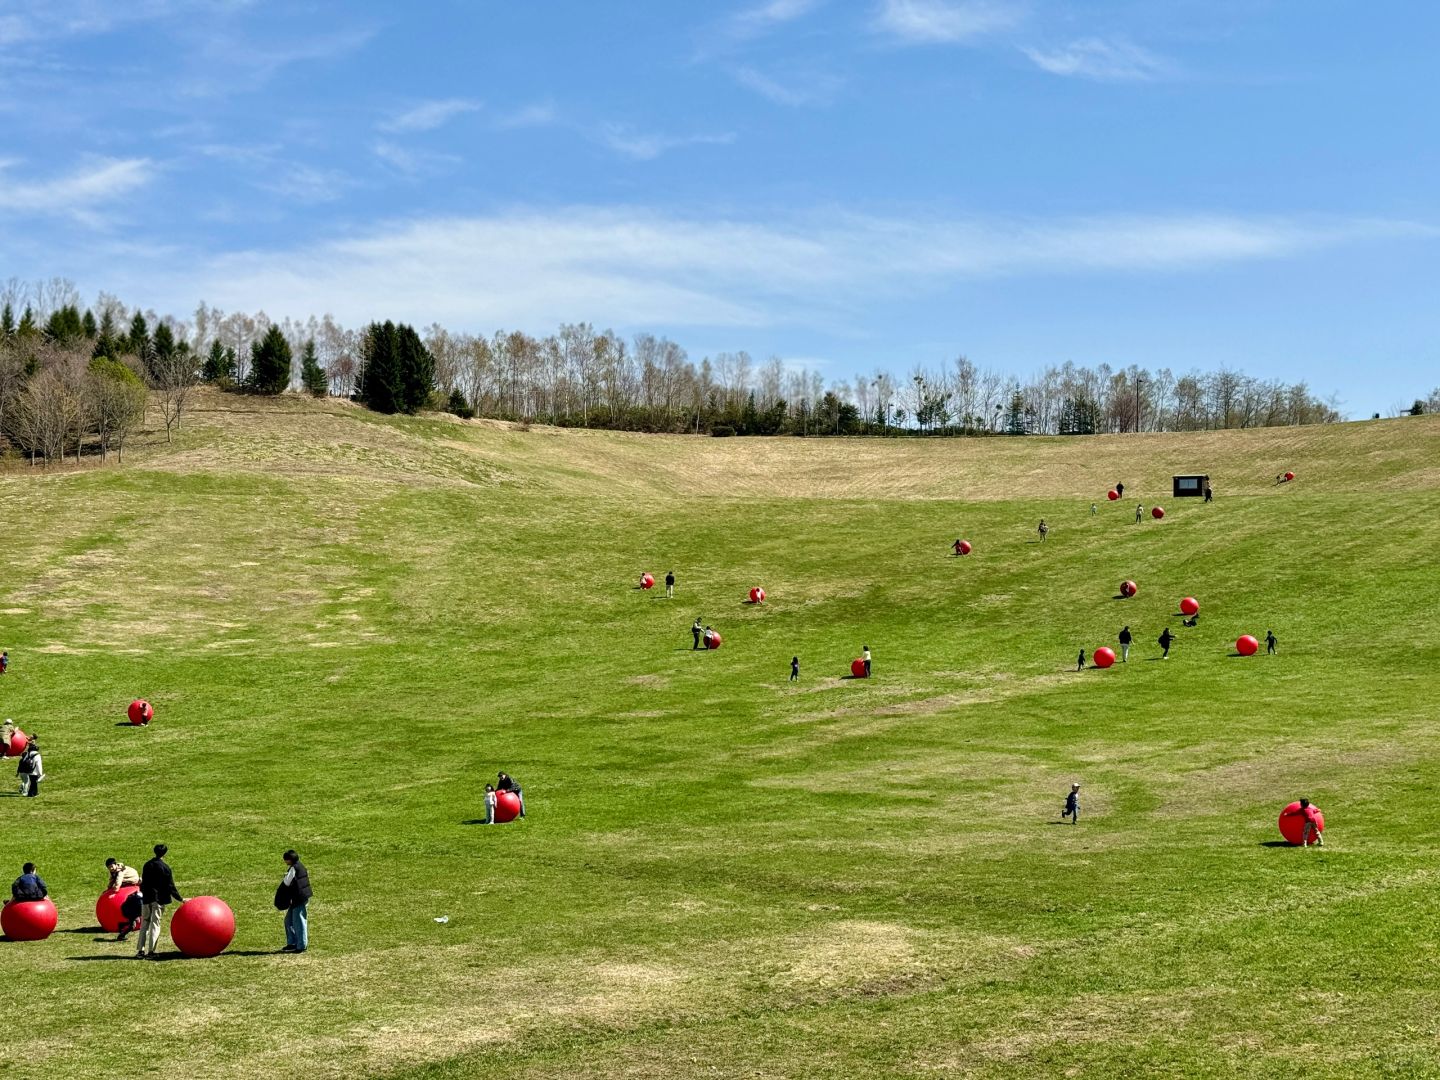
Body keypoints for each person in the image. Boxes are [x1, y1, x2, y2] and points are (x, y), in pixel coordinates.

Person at [137, 843, 183, 959]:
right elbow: (170, 886)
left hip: (146, 898)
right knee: (155, 924)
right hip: (158, 900)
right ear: (165, 853)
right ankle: (151, 951)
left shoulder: (147, 865)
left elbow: (143, 882)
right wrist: (180, 899)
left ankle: (140, 950)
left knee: (144, 924)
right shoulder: (165, 868)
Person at [278, 850, 312, 953]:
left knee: (299, 922)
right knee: (289, 921)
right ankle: (292, 943)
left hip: (299, 899)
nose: (285, 861)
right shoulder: (300, 866)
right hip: (300, 898)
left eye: (286, 859)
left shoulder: (293, 869)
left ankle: (301, 946)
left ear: (290, 859)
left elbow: (286, 883)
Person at [105, 858, 142, 941]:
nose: (110, 868)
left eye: (111, 866)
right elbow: (112, 880)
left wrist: (114, 891)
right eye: (109, 867)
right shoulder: (114, 871)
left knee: (132, 921)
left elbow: (118, 882)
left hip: (132, 879)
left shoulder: (120, 871)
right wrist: (108, 890)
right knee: (132, 922)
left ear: (115, 864)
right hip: (130, 908)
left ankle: (132, 922)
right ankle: (124, 931)